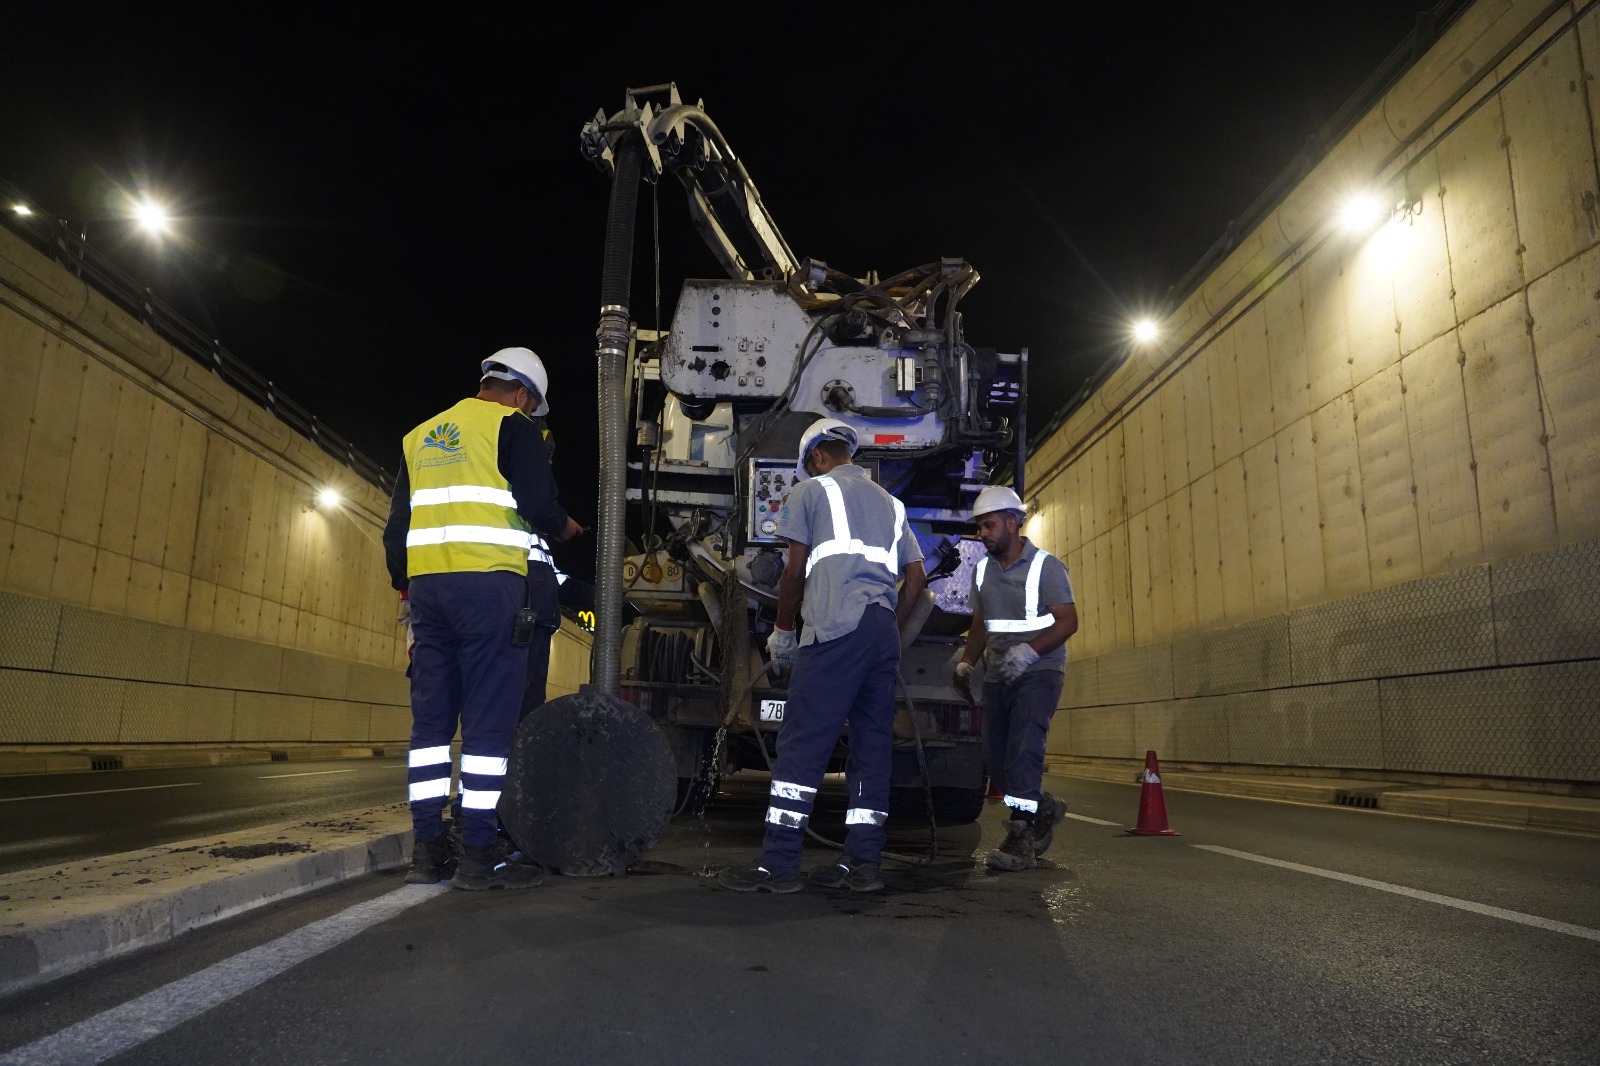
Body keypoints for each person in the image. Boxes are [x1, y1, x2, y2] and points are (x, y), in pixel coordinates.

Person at [382, 346, 582, 891]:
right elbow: (538, 507)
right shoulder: (513, 429)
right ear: (522, 395)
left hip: (426, 592)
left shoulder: (420, 435)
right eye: (530, 405)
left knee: (429, 727)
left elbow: (396, 527)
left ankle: (426, 849)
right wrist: (565, 528)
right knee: (489, 726)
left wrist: (406, 587)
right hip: (490, 588)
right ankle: (476, 853)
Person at [718, 418, 927, 894]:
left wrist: (784, 630)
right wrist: (886, 630)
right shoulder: (891, 504)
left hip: (834, 627)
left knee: (803, 745)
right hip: (879, 632)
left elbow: (793, 574)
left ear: (816, 457)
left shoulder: (811, 492)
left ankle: (779, 865)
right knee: (872, 749)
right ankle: (863, 865)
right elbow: (915, 579)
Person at [952, 484, 1078, 872]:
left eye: (989, 526)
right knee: (996, 757)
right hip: (1000, 672)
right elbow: (980, 623)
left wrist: (1030, 651)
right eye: (980, 527)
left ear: (1012, 523)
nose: (983, 534)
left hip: (1039, 671)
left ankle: (1021, 834)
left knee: (1025, 746)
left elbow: (1068, 621)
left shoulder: (1047, 567)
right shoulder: (982, 571)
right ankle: (1044, 807)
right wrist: (968, 662)